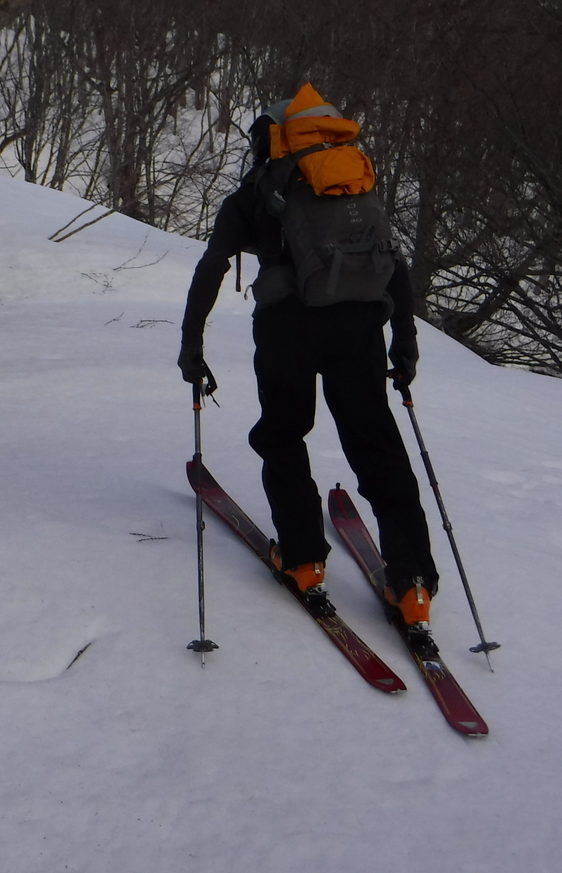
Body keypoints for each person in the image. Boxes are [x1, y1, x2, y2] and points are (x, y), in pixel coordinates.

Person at [177, 84, 439, 641]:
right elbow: (393, 262)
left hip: (287, 329)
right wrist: (405, 339)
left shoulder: (255, 195)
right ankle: (412, 584)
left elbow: (213, 267)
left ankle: (301, 560)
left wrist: (191, 345)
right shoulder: (353, 182)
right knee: (376, 445)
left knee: (283, 435)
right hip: (361, 326)